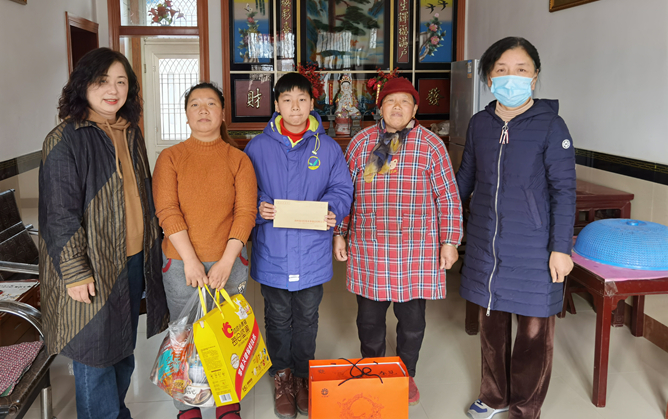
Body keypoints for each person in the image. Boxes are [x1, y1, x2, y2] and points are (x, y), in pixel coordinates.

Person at [38, 47, 169, 419]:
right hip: (91, 266)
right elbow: (58, 215)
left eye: (121, 82)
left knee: (122, 350)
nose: (113, 90)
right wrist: (75, 272)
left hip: (132, 259)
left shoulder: (130, 132)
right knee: (95, 356)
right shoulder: (66, 138)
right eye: (102, 81)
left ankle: (117, 413)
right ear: (83, 84)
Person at [456, 37, 576, 419]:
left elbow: (564, 190)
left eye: (521, 70)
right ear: (489, 79)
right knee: (491, 327)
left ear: (534, 77)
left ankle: (525, 407)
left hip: (535, 247)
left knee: (533, 334)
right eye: (502, 70)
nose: (512, 78)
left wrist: (561, 248)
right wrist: (444, 228)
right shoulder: (480, 124)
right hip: (486, 244)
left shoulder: (551, 126)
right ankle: (494, 397)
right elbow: (464, 180)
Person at [333, 77, 463, 406]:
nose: (397, 107)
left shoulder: (431, 145)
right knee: (369, 320)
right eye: (390, 101)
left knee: (413, 322)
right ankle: (373, 369)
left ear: (415, 109)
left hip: (415, 251)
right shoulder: (361, 143)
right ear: (380, 107)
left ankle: (405, 373)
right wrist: (339, 233)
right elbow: (346, 195)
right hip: (371, 248)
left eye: (405, 102)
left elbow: (448, 197)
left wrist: (450, 240)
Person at [244, 72, 353, 419]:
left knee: (307, 317)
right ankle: (283, 376)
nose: (295, 107)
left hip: (311, 253)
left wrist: (332, 210)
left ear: (311, 103)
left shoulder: (328, 148)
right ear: (276, 105)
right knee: (277, 318)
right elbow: (243, 190)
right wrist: (258, 206)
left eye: (302, 100)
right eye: (287, 100)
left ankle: (304, 376)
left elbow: (342, 188)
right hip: (273, 252)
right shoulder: (257, 148)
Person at [152, 82, 257, 419]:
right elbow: (167, 211)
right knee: (184, 334)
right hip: (181, 264)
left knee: (228, 332)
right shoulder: (170, 158)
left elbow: (246, 212)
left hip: (231, 262)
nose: (203, 110)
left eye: (211, 103)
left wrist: (226, 261)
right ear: (186, 115)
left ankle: (227, 402)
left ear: (222, 113)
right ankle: (187, 406)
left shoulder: (239, 159)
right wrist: (191, 261)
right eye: (195, 104)